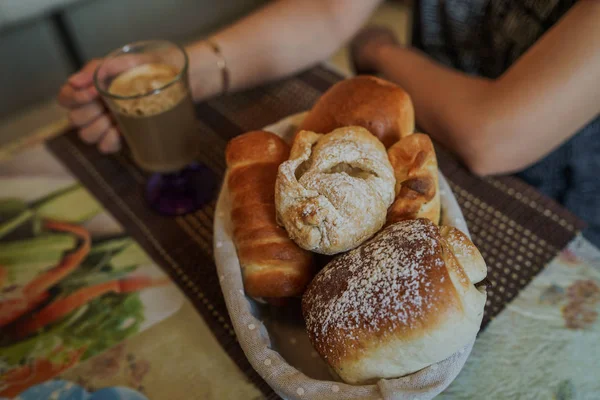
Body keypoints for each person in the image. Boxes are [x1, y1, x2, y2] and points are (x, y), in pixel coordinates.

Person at [58, 0, 600, 245]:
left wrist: (382, 51)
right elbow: (327, 10)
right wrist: (176, 78)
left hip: (557, 212)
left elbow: (495, 137)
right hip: (417, 149)